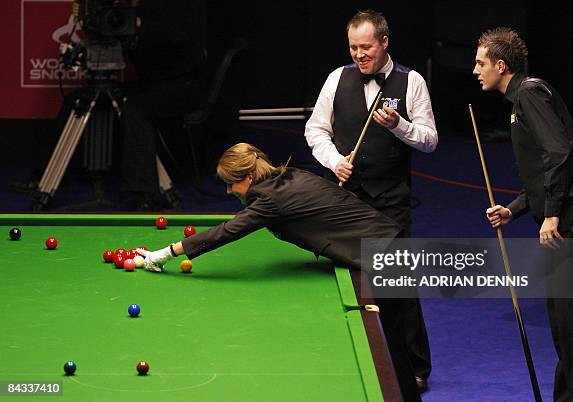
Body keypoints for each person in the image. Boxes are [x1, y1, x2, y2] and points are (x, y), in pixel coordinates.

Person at [139, 142, 422, 401]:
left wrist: (167, 252)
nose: (228, 192)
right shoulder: (289, 177)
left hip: (382, 254)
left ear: (248, 178)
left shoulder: (271, 200)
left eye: (230, 184)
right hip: (385, 242)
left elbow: (226, 232)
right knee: (395, 342)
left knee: (392, 350)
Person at [304, 9, 436, 393]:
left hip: (391, 200)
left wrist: (400, 125)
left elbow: (430, 140)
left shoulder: (410, 81)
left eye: (366, 47)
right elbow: (316, 129)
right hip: (346, 198)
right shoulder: (337, 78)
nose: (359, 55)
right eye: (353, 47)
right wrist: (334, 161)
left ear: (384, 42)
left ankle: (415, 367)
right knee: (347, 280)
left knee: (397, 286)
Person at [473, 27, 573, 401]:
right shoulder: (521, 100)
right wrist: (513, 210)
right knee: (562, 318)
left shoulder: (529, 93)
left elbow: (560, 155)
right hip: (568, 209)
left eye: (480, 63)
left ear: (501, 65)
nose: (475, 70)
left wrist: (551, 215)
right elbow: (543, 170)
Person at [120, 0, 203, 210]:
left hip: (184, 85)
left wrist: (140, 26)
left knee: (136, 109)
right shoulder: (124, 12)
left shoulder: (171, 9)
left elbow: (180, 39)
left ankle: (147, 193)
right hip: (153, 83)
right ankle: (41, 176)